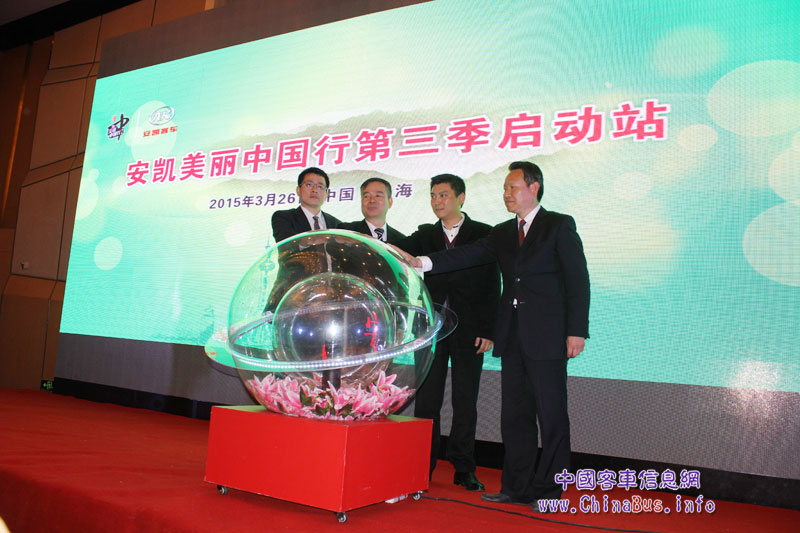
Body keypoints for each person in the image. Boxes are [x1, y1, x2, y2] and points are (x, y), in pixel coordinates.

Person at [398, 161, 589, 510]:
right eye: (504, 189)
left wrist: (576, 331)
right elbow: (468, 254)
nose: (506, 194)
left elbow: (578, 281)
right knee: (515, 416)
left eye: (512, 187)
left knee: (551, 417)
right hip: (512, 337)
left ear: (533, 187)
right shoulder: (502, 232)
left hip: (548, 337)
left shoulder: (558, 225)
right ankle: (517, 488)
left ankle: (550, 491)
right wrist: (422, 263)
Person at [398, 174, 500, 491]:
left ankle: (463, 467)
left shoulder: (484, 234)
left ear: (461, 198)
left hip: (471, 330)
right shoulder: (423, 235)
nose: (437, 201)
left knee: (465, 401)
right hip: (431, 330)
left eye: (443, 195)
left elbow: (492, 285)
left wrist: (488, 329)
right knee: (427, 403)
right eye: (433, 195)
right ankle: (421, 466)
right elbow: (397, 252)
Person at [271, 167, 342, 242]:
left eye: (320, 187)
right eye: (309, 185)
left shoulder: (336, 224)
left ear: (327, 194)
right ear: (298, 190)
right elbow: (287, 244)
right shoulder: (284, 217)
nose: (315, 190)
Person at [339, 178, 406, 244]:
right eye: (366, 196)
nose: (372, 200)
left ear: (390, 202)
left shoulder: (401, 240)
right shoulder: (346, 232)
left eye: (378, 195)